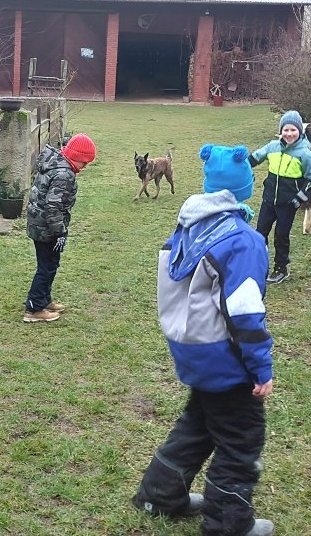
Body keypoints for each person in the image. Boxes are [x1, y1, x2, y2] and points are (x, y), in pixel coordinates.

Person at [132, 143, 275, 536]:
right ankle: (229, 524)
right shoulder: (243, 240)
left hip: (190, 346)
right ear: (245, 187)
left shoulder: (189, 226)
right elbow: (244, 311)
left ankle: (159, 495)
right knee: (241, 438)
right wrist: (260, 367)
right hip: (224, 356)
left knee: (199, 424)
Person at [23, 133, 96, 322]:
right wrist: (60, 232)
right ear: (76, 156)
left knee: (50, 264)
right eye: (84, 162)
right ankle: (34, 308)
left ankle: (44, 300)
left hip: (39, 224)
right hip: (47, 228)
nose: (85, 166)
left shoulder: (55, 164)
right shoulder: (64, 174)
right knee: (46, 267)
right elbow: (53, 206)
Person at [248, 110, 311, 284]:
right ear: (281, 131)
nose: (289, 134)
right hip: (268, 199)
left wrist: (298, 199)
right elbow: (254, 158)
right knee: (260, 233)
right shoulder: (272, 147)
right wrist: (238, 164)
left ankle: (281, 268)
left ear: (299, 131)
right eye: (285, 130)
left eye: (293, 130)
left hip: (287, 204)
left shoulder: (305, 154)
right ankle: (259, 265)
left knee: (281, 236)